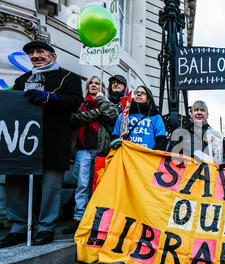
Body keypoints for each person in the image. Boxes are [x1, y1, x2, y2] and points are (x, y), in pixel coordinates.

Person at [0, 41, 83, 247]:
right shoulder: (21, 80)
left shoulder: (68, 77)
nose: (35, 56)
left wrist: (50, 97)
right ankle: (19, 227)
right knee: (16, 184)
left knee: (50, 187)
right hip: (20, 142)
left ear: (53, 56)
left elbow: (75, 102)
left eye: (40, 52)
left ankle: (45, 227)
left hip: (52, 141)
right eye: (31, 53)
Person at [63, 76, 119, 234]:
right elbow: (74, 119)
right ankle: (79, 217)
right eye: (91, 83)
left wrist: (101, 102)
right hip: (83, 149)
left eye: (98, 84)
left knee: (100, 185)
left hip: (102, 150)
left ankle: (96, 218)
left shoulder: (106, 103)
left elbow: (113, 116)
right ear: (87, 86)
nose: (94, 85)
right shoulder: (80, 104)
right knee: (82, 185)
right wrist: (96, 113)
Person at [110, 85, 167, 151]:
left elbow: (161, 138)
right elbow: (116, 135)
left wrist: (154, 156)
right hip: (127, 155)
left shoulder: (155, 116)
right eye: (137, 92)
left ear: (148, 99)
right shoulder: (125, 113)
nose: (139, 94)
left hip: (146, 156)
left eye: (142, 93)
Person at [167, 100, 225, 165]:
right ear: (191, 114)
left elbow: (220, 159)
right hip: (185, 173)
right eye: (196, 110)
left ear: (207, 115)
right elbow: (170, 156)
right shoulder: (179, 133)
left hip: (207, 173)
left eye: (202, 110)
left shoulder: (214, 135)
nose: (199, 112)